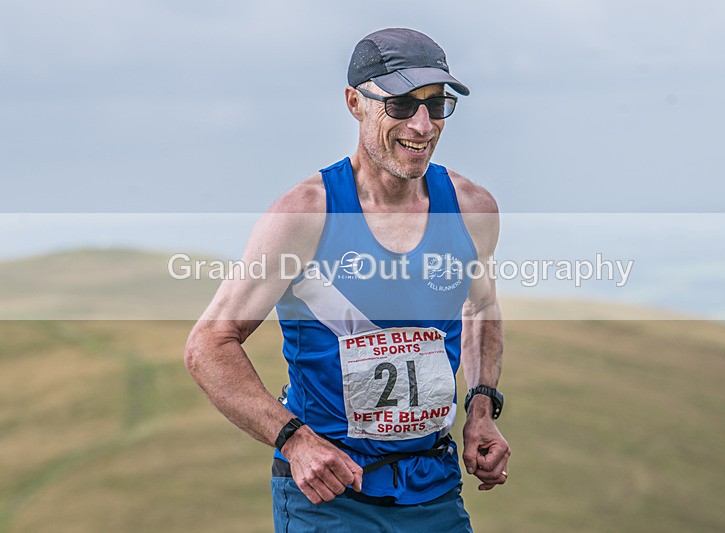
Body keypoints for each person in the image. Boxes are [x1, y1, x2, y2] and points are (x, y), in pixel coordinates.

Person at [185, 27, 510, 532]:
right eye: (401, 105)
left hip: (435, 489)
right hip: (331, 496)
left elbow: (481, 308)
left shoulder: (472, 208)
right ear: (355, 103)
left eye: (437, 104)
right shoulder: (304, 215)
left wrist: (482, 407)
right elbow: (209, 344)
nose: (422, 125)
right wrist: (294, 439)